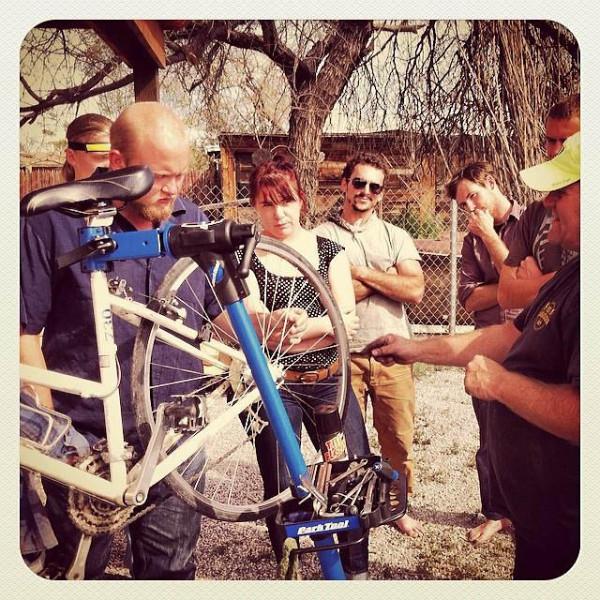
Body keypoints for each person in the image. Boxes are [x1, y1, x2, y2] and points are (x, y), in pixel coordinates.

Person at [366, 132, 580, 580]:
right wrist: (415, 348)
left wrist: (501, 383)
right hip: (544, 522)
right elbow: (503, 326)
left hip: (573, 531)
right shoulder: (573, 274)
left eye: (561, 191)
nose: (548, 203)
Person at [20, 102, 219, 579]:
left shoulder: (192, 218)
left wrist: (270, 327)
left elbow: (219, 313)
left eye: (182, 175)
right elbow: (22, 333)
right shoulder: (53, 221)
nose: (176, 189)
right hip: (84, 439)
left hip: (175, 437)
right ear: (116, 162)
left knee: (170, 572)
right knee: (76, 572)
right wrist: (49, 441)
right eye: (162, 176)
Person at [234, 157, 372, 579]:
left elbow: (346, 324)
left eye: (286, 201)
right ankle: (290, 571)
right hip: (275, 389)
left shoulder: (329, 251)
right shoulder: (247, 256)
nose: (279, 213)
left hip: (329, 383)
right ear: (255, 207)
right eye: (266, 203)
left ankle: (355, 572)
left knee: (350, 475)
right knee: (282, 486)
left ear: (301, 201)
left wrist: (298, 325)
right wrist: (315, 327)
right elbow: (257, 329)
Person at [20, 113, 113, 573]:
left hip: (153, 423)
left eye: (112, 157)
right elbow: (24, 331)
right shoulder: (45, 222)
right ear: (71, 156)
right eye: (95, 156)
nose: (104, 168)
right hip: (80, 421)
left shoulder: (134, 215)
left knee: (168, 563)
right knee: (80, 558)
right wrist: (50, 423)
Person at [314, 152, 425, 537]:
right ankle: (351, 508)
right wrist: (386, 275)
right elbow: (326, 296)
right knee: (345, 444)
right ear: (344, 184)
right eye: (358, 183)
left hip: (393, 352)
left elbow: (414, 289)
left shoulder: (396, 235)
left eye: (373, 187)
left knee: (398, 439)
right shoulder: (321, 237)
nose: (364, 192)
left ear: (381, 195)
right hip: (343, 356)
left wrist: (355, 273)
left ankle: (396, 508)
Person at [447, 161, 523, 544]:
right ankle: (497, 512)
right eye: (463, 205)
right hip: (489, 343)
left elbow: (542, 283)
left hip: (533, 342)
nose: (470, 209)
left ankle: (536, 507)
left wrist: (520, 282)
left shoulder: (533, 222)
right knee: (491, 432)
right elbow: (469, 300)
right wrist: (513, 286)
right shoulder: (471, 239)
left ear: (490, 182)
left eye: (473, 196)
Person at [498, 94, 579, 309]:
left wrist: (538, 283)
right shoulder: (535, 212)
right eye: (550, 140)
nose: (554, 151)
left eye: (566, 141)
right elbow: (506, 295)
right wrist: (557, 283)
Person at [62, 113, 112, 181]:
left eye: (117, 159)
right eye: (103, 157)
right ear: (71, 157)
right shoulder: (60, 192)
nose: (112, 166)